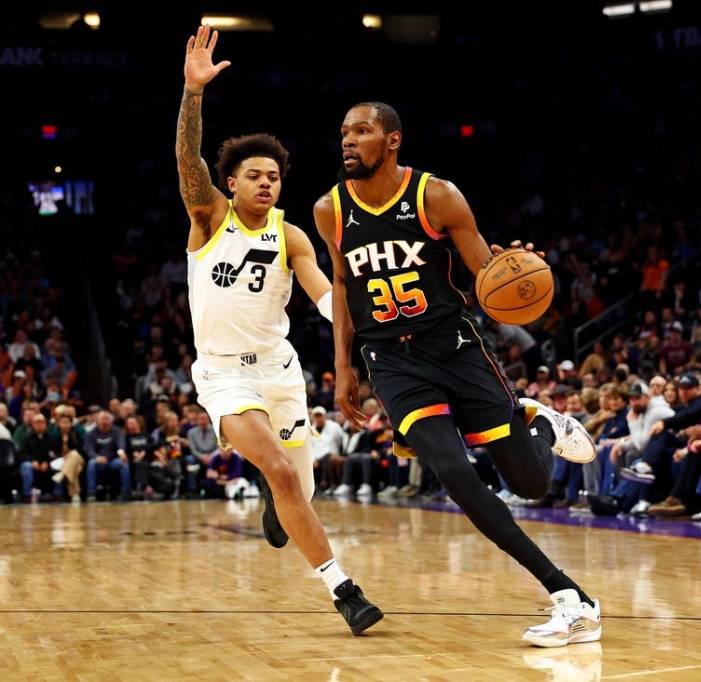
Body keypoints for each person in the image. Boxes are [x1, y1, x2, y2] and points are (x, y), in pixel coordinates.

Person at [312, 101, 601, 647]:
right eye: (344, 132)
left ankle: (540, 425)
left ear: (392, 140)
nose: (348, 141)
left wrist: (513, 269)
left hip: (456, 348)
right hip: (392, 361)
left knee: (531, 485)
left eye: (362, 131)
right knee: (454, 473)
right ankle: (570, 597)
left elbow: (485, 272)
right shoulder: (330, 209)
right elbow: (345, 288)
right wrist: (342, 365)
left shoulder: (436, 196)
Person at [174, 25, 380, 634]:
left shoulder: (289, 235)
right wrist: (193, 94)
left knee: (299, 486)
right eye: (253, 175)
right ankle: (345, 590)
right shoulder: (209, 215)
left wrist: (356, 324)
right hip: (222, 375)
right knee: (283, 472)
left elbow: (323, 292)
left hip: (279, 370)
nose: (266, 182)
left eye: (274, 176)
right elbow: (188, 160)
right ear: (231, 182)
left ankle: (278, 497)